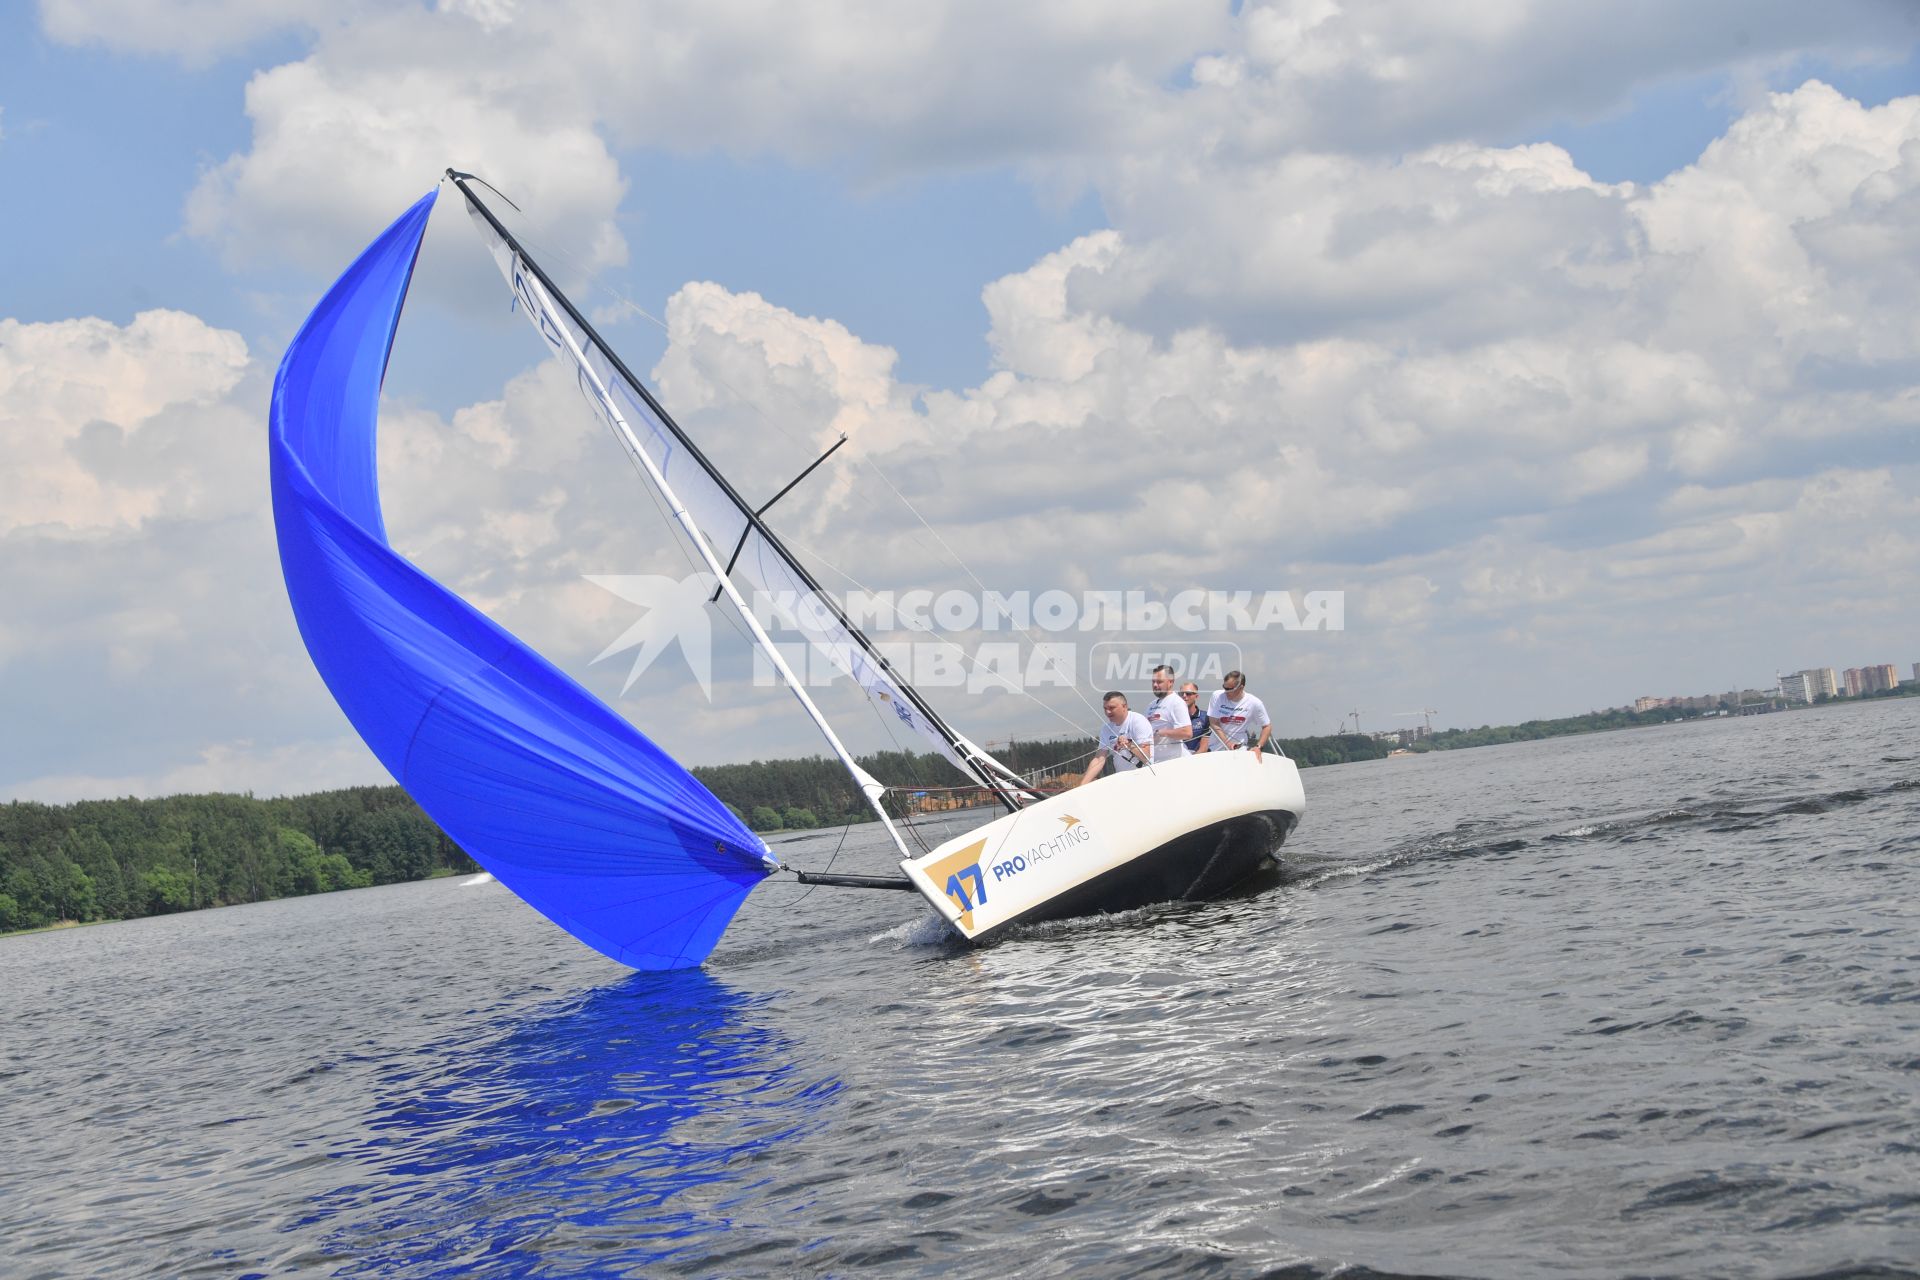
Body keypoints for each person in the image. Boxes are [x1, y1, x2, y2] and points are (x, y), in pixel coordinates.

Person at [1079, 691, 1154, 785]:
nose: (1107, 712)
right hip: (1122, 780)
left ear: (1124, 706)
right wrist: (1082, 785)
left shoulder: (1138, 721)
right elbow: (1099, 759)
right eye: (1105, 708)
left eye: (1111, 708)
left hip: (1144, 778)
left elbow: (1146, 756)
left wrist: (1129, 745)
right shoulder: (1106, 729)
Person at [1207, 669, 1273, 761]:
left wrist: (1258, 747)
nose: (1226, 691)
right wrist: (1228, 743)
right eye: (1224, 687)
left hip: (1239, 749)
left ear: (1241, 687)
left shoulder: (1254, 703)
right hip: (1214, 748)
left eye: (1229, 689)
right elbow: (1214, 723)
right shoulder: (1217, 696)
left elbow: (1267, 726)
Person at [1144, 664, 1191, 764]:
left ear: (1170, 682)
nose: (1155, 685)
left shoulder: (1176, 702)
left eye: (1159, 682)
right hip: (1155, 762)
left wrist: (1161, 732)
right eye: (1153, 682)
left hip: (1174, 762)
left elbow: (1187, 732)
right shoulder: (1150, 705)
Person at [1180, 681, 1211, 752]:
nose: (1184, 696)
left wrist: (1190, 761)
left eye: (1188, 694)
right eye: (1181, 694)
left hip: (1198, 758)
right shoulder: (1174, 718)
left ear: (1196, 696)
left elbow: (1204, 747)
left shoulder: (1206, 717)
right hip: (1179, 758)